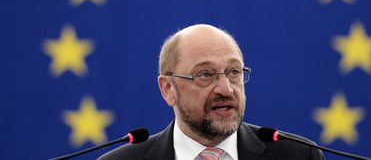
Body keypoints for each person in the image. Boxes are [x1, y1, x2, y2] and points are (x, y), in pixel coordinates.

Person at [99, 24, 325, 160]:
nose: (226, 89)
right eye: (206, 75)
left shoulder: (299, 156)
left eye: (234, 72)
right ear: (168, 89)